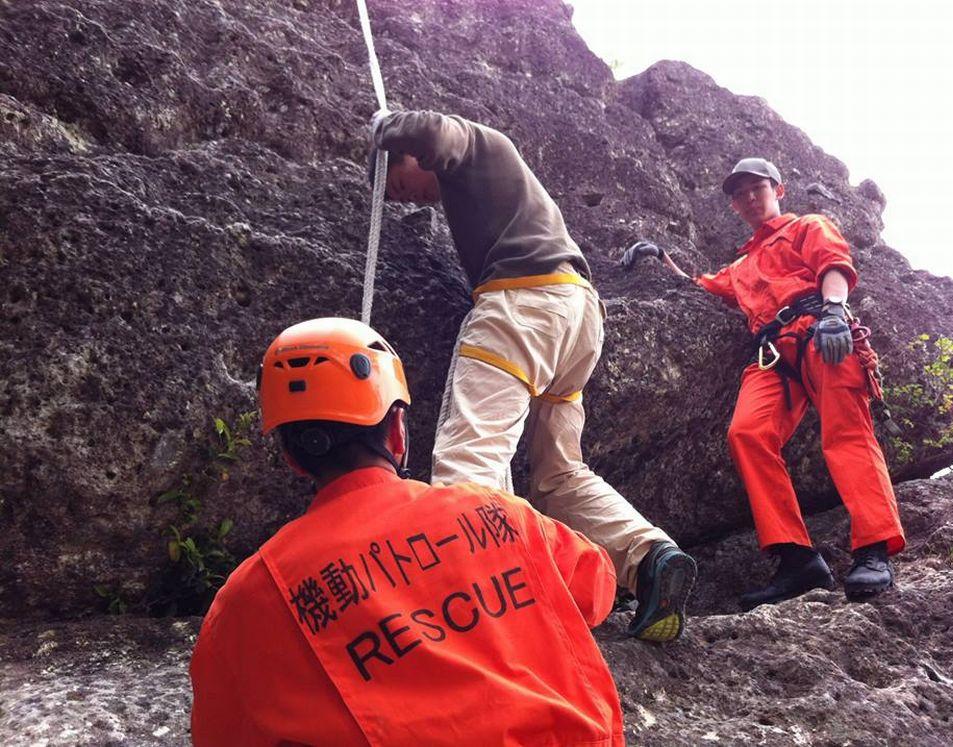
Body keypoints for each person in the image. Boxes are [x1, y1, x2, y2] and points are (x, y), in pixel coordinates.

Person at [189, 317, 627, 745]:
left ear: (292, 457)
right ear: (397, 431)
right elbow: (595, 587)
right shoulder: (497, 512)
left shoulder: (250, 597)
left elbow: (223, 728)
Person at [369, 109, 696, 641]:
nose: (403, 198)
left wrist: (385, 127)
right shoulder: (490, 185)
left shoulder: (477, 146)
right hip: (577, 319)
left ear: (406, 157)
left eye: (397, 184)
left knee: (469, 456)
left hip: (521, 305)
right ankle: (651, 558)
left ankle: (484, 614)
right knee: (559, 474)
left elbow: (433, 132)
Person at [622, 158, 904, 611]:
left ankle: (873, 549)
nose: (749, 198)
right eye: (740, 194)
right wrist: (658, 257)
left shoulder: (808, 226)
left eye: (757, 188)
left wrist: (834, 313)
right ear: (734, 205)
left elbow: (834, 265)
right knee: (747, 433)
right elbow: (698, 287)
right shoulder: (742, 265)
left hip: (818, 329)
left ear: (778, 189)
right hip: (772, 351)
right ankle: (796, 558)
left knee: (847, 433)